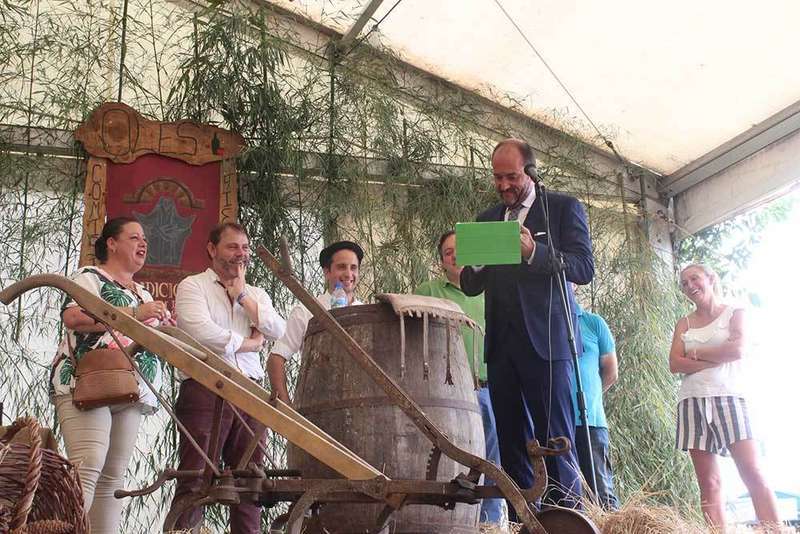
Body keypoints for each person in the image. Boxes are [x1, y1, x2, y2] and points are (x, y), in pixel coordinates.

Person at [460, 138, 594, 513]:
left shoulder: (561, 208)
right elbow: (470, 284)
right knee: (511, 443)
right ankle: (525, 521)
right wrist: (478, 260)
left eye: (512, 177)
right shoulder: (487, 219)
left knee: (556, 440)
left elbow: (584, 267)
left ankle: (568, 517)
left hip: (547, 344)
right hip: (502, 348)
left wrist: (534, 252)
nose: (503, 185)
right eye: (497, 178)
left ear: (531, 172)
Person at [54, 216, 172, 534]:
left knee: (113, 478)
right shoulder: (90, 277)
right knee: (88, 465)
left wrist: (165, 327)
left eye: (144, 238)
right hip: (87, 382)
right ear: (111, 243)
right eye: (134, 237)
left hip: (131, 388)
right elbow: (73, 317)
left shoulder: (144, 293)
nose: (143, 243)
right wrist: (135, 314)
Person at [168, 222, 286, 533]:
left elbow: (278, 329)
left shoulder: (255, 294)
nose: (240, 254)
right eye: (233, 246)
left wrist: (243, 297)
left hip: (251, 393)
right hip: (205, 387)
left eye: (245, 248)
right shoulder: (193, 286)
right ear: (212, 249)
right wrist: (249, 343)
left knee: (249, 483)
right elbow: (199, 332)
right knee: (195, 477)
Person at [669, 264, 779, 530]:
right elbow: (675, 363)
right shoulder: (684, 323)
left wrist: (696, 353)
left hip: (730, 397)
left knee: (752, 472)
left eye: (694, 278)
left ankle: (774, 530)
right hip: (692, 401)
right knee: (709, 483)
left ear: (710, 278)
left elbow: (737, 350)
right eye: (684, 283)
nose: (689, 285)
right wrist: (718, 353)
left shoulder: (735, 312)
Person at [414, 230, 505, 525]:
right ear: (442, 262)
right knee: (450, 459)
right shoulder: (427, 291)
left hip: (489, 387)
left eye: (460, 249)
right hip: (447, 393)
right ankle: (451, 523)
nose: (455, 256)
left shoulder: (490, 291)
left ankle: (489, 524)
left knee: (492, 459)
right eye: (448, 252)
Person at [267, 241, 364, 404]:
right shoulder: (306, 310)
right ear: (327, 272)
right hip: (316, 406)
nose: (349, 274)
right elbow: (276, 358)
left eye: (353, 268)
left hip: (360, 407)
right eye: (341, 267)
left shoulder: (366, 312)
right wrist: (286, 408)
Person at [570, 290, 620, 510]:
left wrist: (592, 396)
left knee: (601, 490)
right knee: (563, 492)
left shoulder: (593, 322)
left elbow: (611, 372)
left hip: (590, 420)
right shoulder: (542, 323)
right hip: (555, 423)